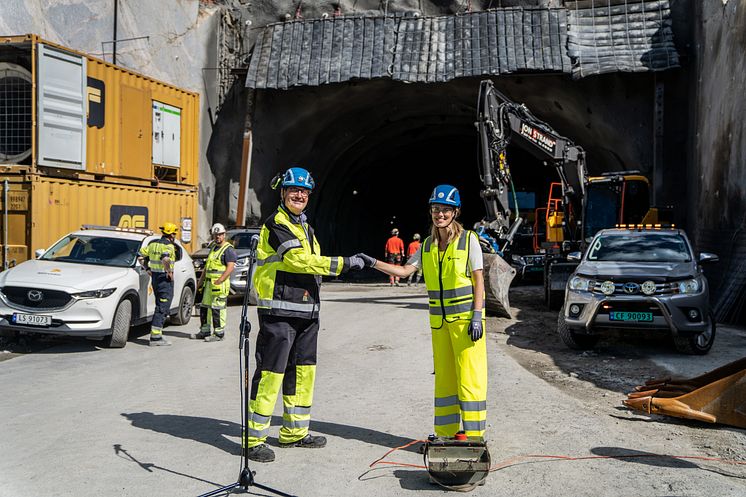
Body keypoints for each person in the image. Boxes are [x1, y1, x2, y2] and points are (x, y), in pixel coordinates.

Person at [246, 166, 366, 463]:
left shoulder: (306, 228)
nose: (299, 195)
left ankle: (294, 433)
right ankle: (254, 438)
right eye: (293, 190)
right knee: (271, 375)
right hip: (279, 311)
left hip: (307, 312)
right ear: (283, 193)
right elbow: (299, 261)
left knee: (302, 374)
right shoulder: (277, 224)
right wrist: (344, 264)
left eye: (304, 191)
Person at [356, 185, 488, 440]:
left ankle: (474, 438)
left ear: (455, 212)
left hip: (466, 324)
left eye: (445, 209)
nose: (440, 214)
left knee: (470, 379)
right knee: (445, 381)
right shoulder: (426, 246)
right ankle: (445, 434)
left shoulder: (469, 240)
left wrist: (477, 315)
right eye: (436, 209)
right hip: (440, 325)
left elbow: (479, 279)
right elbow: (405, 271)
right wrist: (373, 262)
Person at [191, 223, 236, 342]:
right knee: (205, 307)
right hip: (209, 284)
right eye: (216, 235)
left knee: (218, 309)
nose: (218, 237)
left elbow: (230, 267)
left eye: (220, 235)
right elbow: (207, 267)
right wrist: (200, 282)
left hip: (219, 285)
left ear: (224, 235)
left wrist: (220, 280)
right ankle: (205, 330)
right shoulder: (213, 248)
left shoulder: (228, 250)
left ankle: (219, 334)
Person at [138, 222, 178, 347]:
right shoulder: (169, 246)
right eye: (174, 234)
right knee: (162, 306)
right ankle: (155, 337)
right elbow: (165, 258)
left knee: (160, 304)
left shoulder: (153, 244)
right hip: (164, 278)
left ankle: (158, 333)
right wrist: (169, 271)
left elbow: (140, 257)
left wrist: (147, 269)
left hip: (155, 277)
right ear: (171, 235)